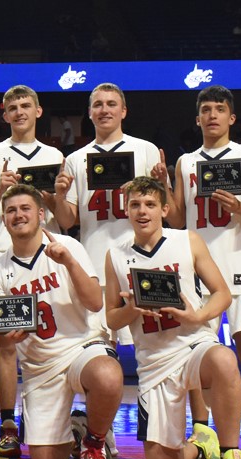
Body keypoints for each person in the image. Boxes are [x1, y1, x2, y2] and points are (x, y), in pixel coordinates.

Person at [104, 177, 241, 459]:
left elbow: (221, 294)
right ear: (126, 210)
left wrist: (198, 316)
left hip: (192, 344)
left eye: (149, 204)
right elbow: (110, 317)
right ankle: (203, 448)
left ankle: (233, 456)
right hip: (153, 360)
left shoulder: (187, 240)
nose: (142, 211)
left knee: (223, 358)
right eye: (135, 204)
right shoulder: (115, 255)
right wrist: (132, 308)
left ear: (164, 209)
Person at [168, 85, 241, 459]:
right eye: (206, 109)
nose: (213, 115)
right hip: (198, 275)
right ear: (197, 118)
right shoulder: (185, 163)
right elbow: (176, 222)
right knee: (197, 361)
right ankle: (205, 436)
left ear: (232, 118)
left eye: (220, 109)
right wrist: (166, 187)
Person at [0, 184, 120, 459]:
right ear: (4, 220)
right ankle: (78, 427)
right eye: (10, 211)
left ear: (41, 214)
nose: (18, 215)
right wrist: (8, 338)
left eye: (25, 208)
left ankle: (94, 444)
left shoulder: (67, 245)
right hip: (39, 367)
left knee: (108, 375)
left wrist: (69, 263)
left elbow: (95, 302)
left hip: (81, 347)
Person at [0, 85, 65, 457]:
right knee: (6, 344)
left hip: (45, 257)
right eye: (12, 107)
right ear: (5, 114)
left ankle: (46, 419)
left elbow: (59, 216)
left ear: (38, 112)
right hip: (1, 257)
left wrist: (57, 195)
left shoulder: (55, 154)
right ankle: (8, 423)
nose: (20, 112)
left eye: (26, 105)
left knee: (45, 339)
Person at [54, 83, 169, 346]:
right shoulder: (75, 159)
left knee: (152, 343)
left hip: (139, 259)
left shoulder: (146, 150)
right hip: (93, 260)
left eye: (111, 104)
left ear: (124, 111)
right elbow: (66, 221)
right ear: (90, 113)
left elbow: (167, 212)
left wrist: (160, 186)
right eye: (98, 105)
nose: (104, 110)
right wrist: (59, 196)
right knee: (99, 347)